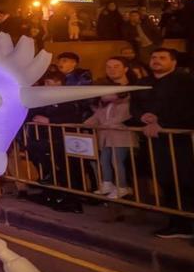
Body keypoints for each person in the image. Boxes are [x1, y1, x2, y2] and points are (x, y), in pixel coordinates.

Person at [130, 48, 194, 239]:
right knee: (165, 180)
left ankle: (187, 222)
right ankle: (177, 222)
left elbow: (188, 109)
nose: (156, 60)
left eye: (162, 58)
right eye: (154, 57)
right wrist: (142, 116)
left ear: (173, 62)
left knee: (184, 181)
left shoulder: (185, 81)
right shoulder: (143, 83)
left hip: (180, 141)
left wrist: (162, 123)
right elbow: (135, 106)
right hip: (154, 142)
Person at [83, 58, 137, 199]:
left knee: (117, 161)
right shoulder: (104, 105)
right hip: (106, 137)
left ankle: (122, 186)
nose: (112, 69)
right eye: (109, 67)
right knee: (104, 160)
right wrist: (87, 123)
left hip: (121, 136)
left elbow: (124, 116)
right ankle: (107, 183)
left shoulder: (126, 101)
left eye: (116, 66)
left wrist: (109, 123)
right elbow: (97, 116)